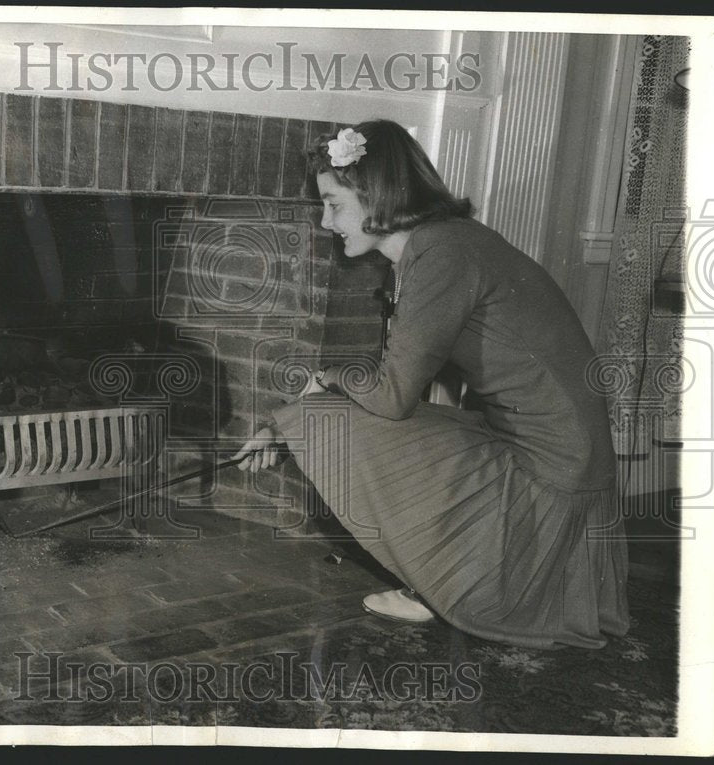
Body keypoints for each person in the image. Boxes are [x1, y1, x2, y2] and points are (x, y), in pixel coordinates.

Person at [233, 120, 630, 650]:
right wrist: (292, 424)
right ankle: (443, 577)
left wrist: (316, 388)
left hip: (553, 465)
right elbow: (396, 384)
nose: (326, 222)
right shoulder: (445, 244)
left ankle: (438, 585)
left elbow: (392, 398)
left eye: (333, 203)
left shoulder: (441, 253)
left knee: (330, 417)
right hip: (548, 446)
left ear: (377, 195)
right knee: (327, 415)